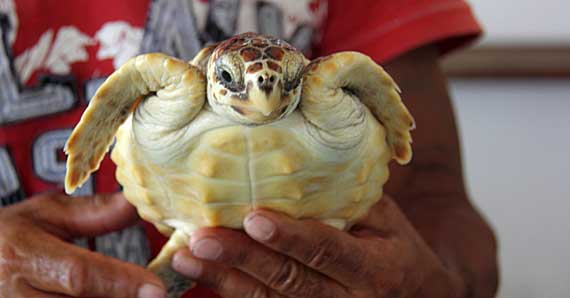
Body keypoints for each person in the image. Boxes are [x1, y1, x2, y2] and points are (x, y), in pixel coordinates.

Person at [0, 0, 498, 297]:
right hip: (179, 223)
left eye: (279, 82)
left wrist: (433, 286)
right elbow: (136, 81)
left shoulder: (328, 79)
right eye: (234, 81)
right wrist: (88, 146)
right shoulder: (178, 82)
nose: (261, 95)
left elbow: (438, 198)